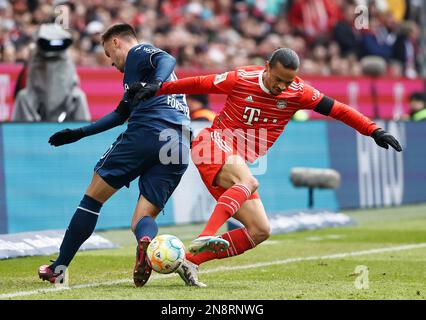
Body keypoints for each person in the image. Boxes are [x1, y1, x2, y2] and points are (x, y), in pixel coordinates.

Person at [129, 48, 403, 286]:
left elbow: (340, 110)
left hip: (234, 160)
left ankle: (189, 261)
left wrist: (374, 130)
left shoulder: (299, 92)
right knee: (249, 182)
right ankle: (206, 235)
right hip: (211, 143)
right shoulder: (242, 78)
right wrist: (159, 88)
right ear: (267, 67)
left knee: (260, 230)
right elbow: (201, 83)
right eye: (278, 79)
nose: (282, 87)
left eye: (288, 81)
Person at [37, 23, 201, 287]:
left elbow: (166, 57)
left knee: (93, 198)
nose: (111, 63)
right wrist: (79, 133)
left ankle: (59, 267)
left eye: (107, 54)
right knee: (141, 222)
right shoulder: (144, 79)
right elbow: (120, 114)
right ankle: (147, 244)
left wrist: (155, 84)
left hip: (150, 131)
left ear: (116, 42)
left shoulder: (138, 53)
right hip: (179, 144)